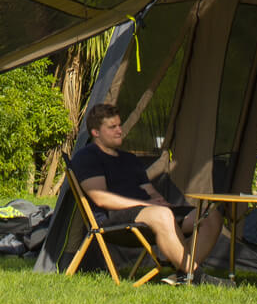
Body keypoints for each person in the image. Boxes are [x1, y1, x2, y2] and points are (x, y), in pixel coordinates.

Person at [71, 102, 223, 285]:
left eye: (119, 125)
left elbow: (149, 190)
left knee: (209, 215)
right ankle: (196, 276)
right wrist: (150, 206)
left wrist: (157, 200)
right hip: (114, 219)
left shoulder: (130, 159)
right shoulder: (88, 157)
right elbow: (100, 198)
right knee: (162, 214)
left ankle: (183, 274)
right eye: (112, 127)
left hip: (151, 213)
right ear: (96, 133)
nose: (119, 130)